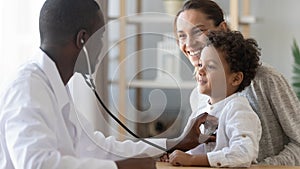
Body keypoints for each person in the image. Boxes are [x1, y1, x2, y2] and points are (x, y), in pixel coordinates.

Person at [0, 0, 209, 169]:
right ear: (83, 40)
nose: (102, 47)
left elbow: (100, 147)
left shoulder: (56, 86)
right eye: (100, 38)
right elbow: (36, 164)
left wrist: (176, 143)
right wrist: (119, 167)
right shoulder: (27, 87)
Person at [174, 0, 300, 166]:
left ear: (223, 29)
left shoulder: (265, 79)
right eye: (182, 35)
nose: (189, 43)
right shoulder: (201, 93)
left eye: (199, 31)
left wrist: (262, 167)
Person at [169, 30, 262, 167]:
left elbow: (243, 153)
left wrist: (191, 160)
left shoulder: (238, 110)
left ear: (235, 78)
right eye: (200, 64)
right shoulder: (202, 110)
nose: (200, 71)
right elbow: (197, 149)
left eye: (211, 66)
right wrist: (178, 155)